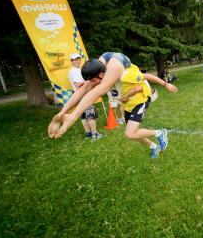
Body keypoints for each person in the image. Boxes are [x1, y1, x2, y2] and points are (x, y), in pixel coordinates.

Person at [48, 52, 178, 158]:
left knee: (130, 133)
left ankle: (160, 133)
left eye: (94, 80)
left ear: (102, 74)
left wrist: (166, 84)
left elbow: (146, 77)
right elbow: (84, 88)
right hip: (128, 104)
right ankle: (153, 146)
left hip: (140, 99)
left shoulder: (124, 74)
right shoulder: (101, 72)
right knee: (133, 132)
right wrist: (62, 114)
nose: (93, 83)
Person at [67, 53, 102, 140]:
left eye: (79, 59)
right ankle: (95, 135)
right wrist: (91, 81)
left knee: (83, 116)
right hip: (83, 95)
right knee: (90, 115)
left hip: (78, 95)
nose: (78, 61)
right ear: (71, 61)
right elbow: (78, 85)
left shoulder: (77, 70)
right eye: (75, 60)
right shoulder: (74, 71)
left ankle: (88, 134)